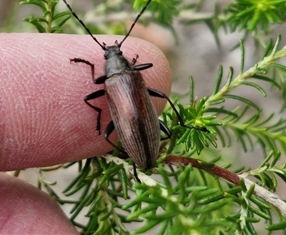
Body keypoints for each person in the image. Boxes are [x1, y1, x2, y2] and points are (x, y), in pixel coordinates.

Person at [0, 33, 171, 234]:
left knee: (108, 136)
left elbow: (91, 95)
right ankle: (143, 152)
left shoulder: (111, 82)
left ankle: (132, 158)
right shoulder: (133, 75)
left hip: (138, 132)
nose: (112, 53)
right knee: (161, 98)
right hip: (141, 129)